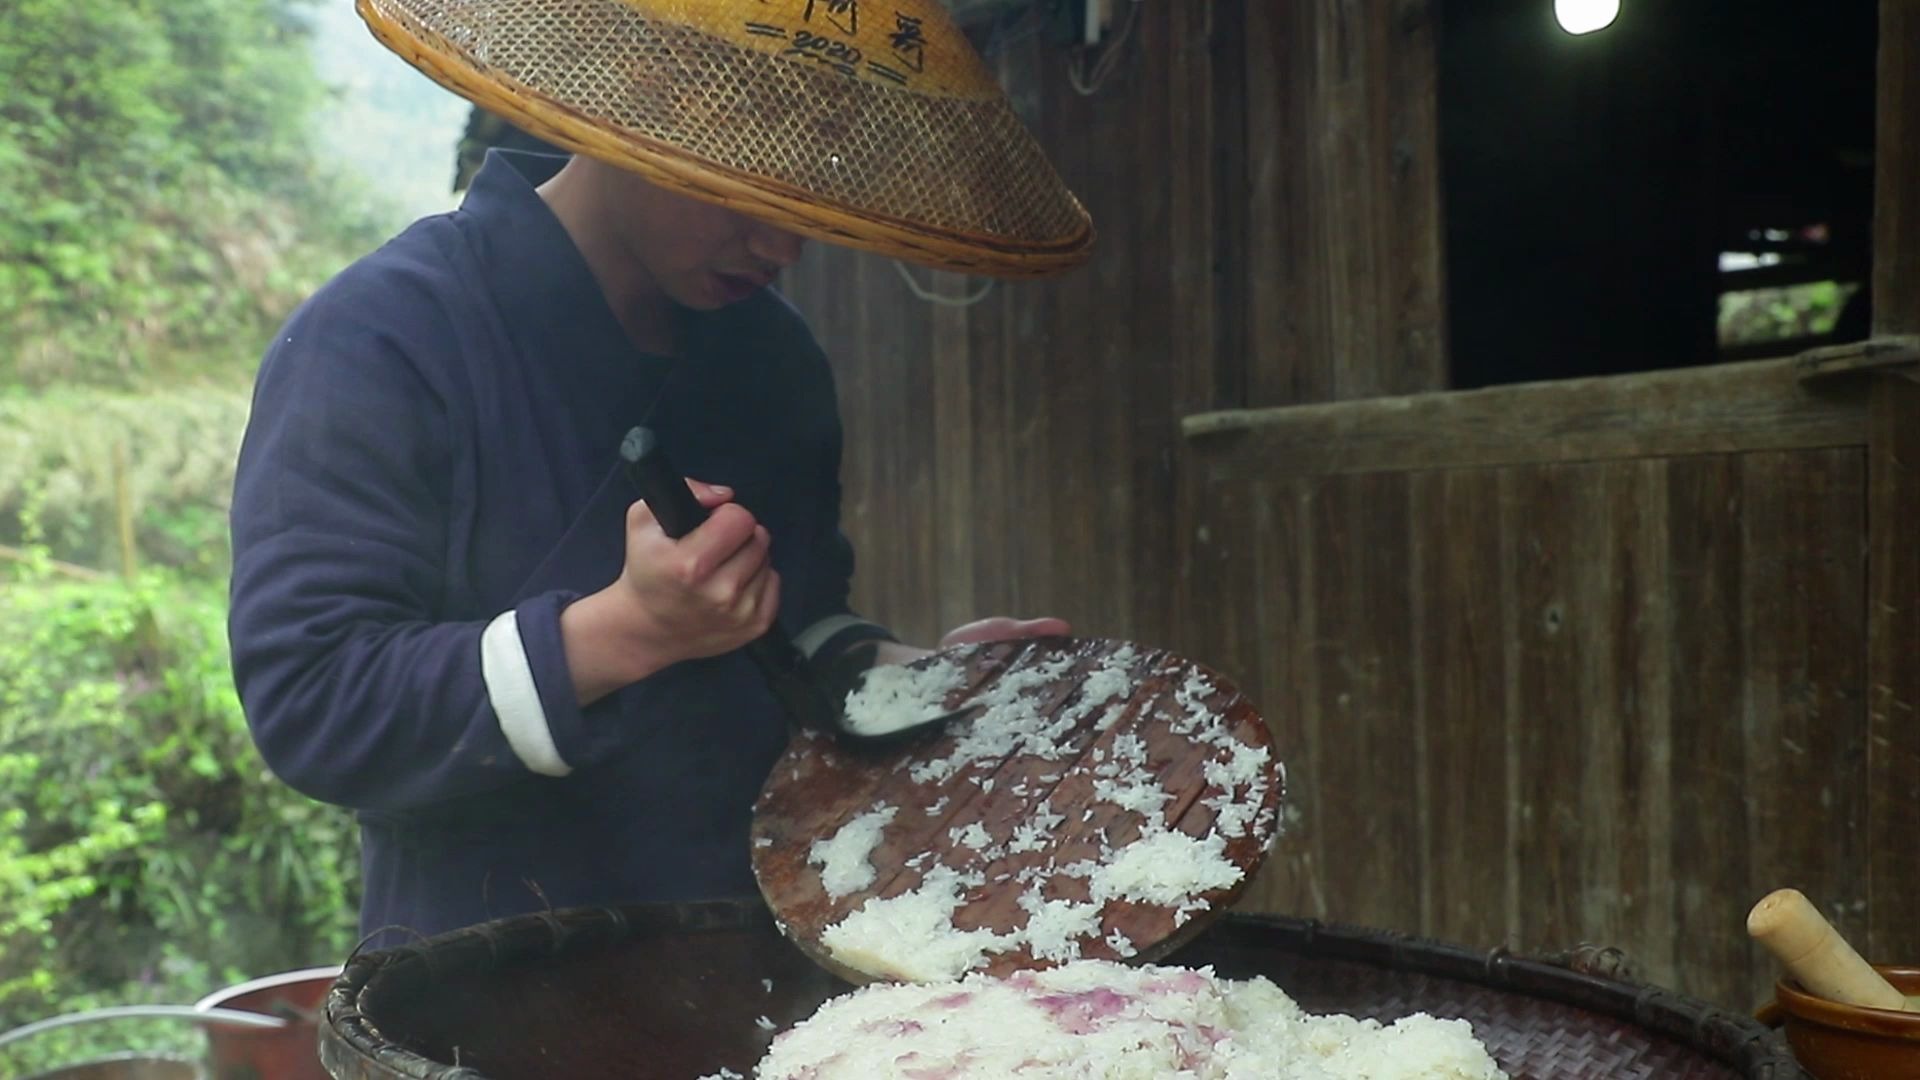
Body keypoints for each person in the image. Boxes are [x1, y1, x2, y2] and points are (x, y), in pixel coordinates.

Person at [226, 0, 1093, 944]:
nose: (783, 245)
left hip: (762, 951)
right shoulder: (381, 334)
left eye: (814, 192)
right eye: (748, 186)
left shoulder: (773, 356)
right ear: (633, 105)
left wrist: (917, 681)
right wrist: (622, 632)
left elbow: (792, 636)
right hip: (485, 981)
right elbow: (312, 701)